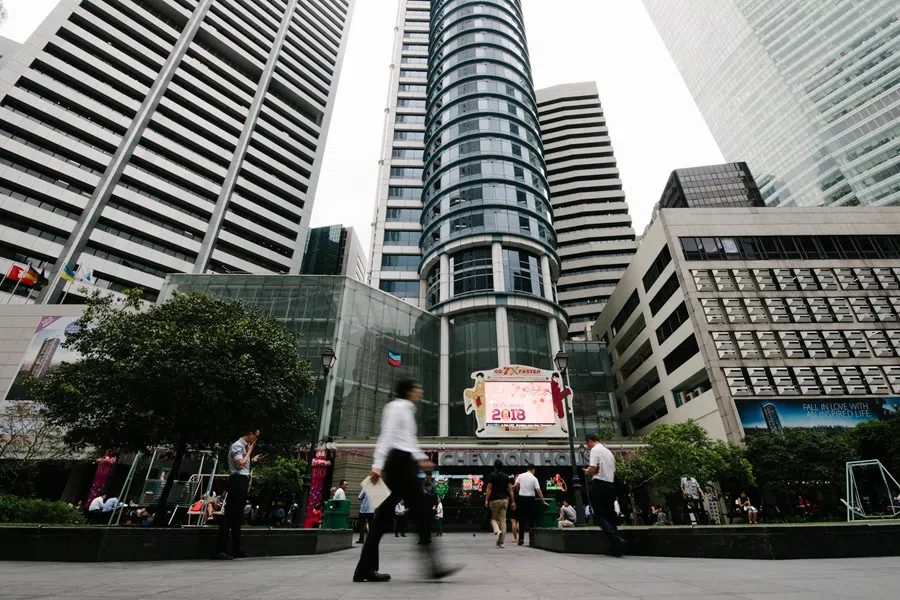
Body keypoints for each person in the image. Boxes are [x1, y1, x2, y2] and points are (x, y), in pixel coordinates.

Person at [354, 379, 461, 583]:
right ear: (409, 390)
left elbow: (407, 439)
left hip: (403, 462)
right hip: (399, 463)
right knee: (419, 512)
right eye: (417, 388)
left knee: (383, 520)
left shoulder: (407, 409)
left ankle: (363, 570)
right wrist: (377, 465)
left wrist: (420, 458)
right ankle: (432, 567)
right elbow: (387, 436)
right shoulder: (396, 408)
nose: (420, 391)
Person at [215, 427, 263, 560]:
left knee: (238, 516)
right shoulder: (237, 446)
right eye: (256, 436)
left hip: (241, 479)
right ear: (249, 433)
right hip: (237, 480)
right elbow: (239, 465)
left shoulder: (242, 447)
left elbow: (244, 463)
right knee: (230, 514)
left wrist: (252, 460)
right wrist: (249, 452)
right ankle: (221, 549)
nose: (256, 439)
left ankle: (237, 548)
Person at [585, 433, 625, 557]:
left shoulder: (595, 450)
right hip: (611, 484)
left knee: (599, 514)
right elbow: (608, 469)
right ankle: (615, 547)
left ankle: (616, 538)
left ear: (590, 441)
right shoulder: (608, 452)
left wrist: (587, 472)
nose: (588, 447)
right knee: (610, 514)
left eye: (587, 444)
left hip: (600, 484)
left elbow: (593, 468)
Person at [514, 464, 547, 546]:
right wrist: (543, 501)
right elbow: (538, 491)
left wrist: (520, 489)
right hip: (530, 499)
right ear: (533, 470)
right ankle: (531, 540)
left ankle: (520, 539)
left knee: (521, 520)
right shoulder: (534, 478)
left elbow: (516, 485)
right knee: (531, 519)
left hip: (521, 498)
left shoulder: (520, 476)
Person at [484, 459, 515, 548]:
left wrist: (486, 500)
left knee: (493, 518)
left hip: (494, 500)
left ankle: (497, 530)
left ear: (494, 466)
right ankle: (501, 542)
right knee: (503, 521)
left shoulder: (492, 475)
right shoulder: (506, 476)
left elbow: (489, 488)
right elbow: (510, 489)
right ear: (502, 467)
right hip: (504, 501)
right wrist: (512, 501)